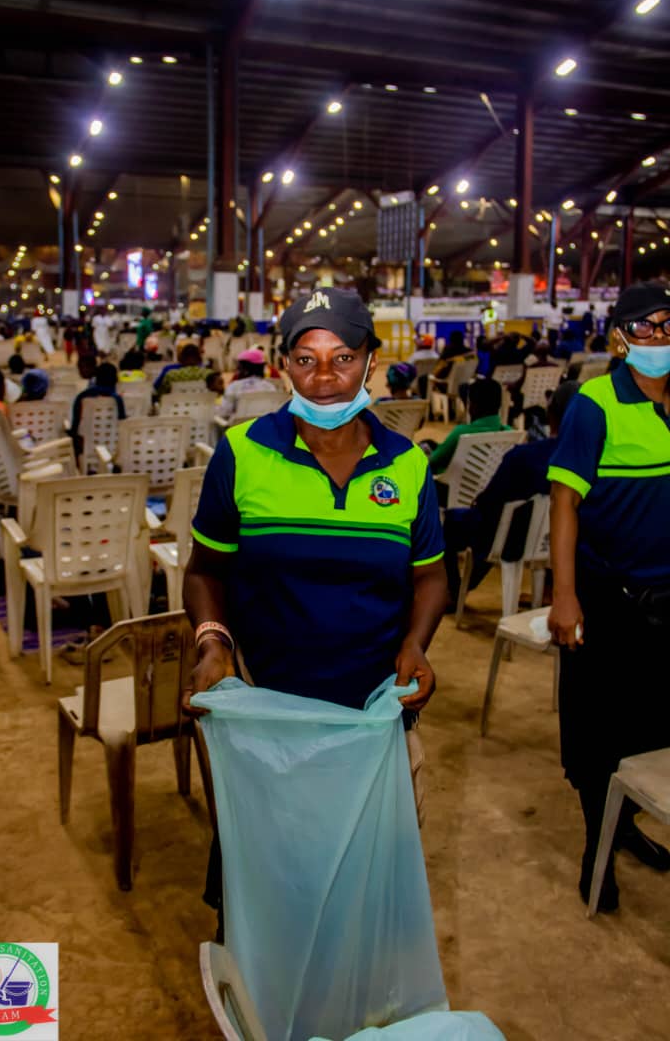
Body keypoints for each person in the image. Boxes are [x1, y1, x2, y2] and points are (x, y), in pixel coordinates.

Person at [183, 287, 447, 931]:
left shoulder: (406, 465)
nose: (325, 377)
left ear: (371, 362)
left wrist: (417, 643)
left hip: (371, 715)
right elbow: (206, 570)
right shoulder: (243, 453)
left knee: (361, 889)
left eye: (343, 358)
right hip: (270, 714)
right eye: (306, 359)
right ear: (284, 366)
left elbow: (432, 575)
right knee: (267, 885)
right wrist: (214, 641)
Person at [547, 281, 670, 913]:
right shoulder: (595, 404)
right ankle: (599, 842)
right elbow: (564, 502)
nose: (658, 336)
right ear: (620, 336)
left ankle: (628, 823)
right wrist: (565, 596)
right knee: (599, 732)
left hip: (667, 599)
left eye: (667, 323)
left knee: (654, 725)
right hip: (608, 598)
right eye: (643, 326)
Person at [442, 382, 579, 607]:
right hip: (557, 541)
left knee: (456, 523)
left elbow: (491, 502)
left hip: (510, 538)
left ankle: (454, 590)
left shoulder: (524, 456)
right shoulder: (593, 460)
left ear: (550, 413)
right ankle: (545, 591)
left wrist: (479, 502)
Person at [427, 377, 511, 477]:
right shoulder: (508, 432)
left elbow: (434, 460)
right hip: (488, 482)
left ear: (473, 406)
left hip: (452, 484)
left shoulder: (461, 433)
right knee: (430, 443)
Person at [70, 362, 125, 457]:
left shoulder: (82, 397)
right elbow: (122, 423)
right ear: (115, 380)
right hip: (112, 447)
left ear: (96, 378)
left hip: (86, 446)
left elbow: (75, 425)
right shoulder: (117, 400)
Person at [217, 348, 276, 420]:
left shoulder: (234, 387)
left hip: (239, 426)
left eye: (239, 368)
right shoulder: (269, 387)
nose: (237, 371)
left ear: (245, 370)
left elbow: (224, 412)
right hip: (263, 425)